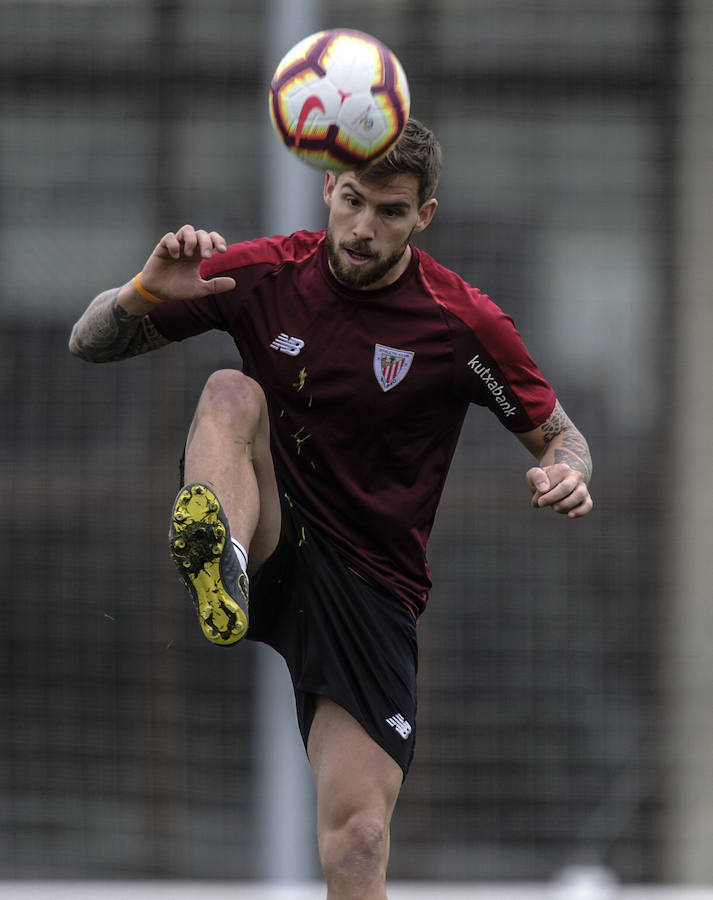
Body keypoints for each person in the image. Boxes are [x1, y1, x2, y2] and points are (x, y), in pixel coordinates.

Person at [69, 118, 593, 899]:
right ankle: (222, 561)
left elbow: (559, 437)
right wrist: (143, 292)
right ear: (327, 190)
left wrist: (567, 473)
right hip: (272, 527)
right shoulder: (261, 275)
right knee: (228, 390)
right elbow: (88, 342)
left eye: (389, 211)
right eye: (352, 201)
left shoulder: (461, 322)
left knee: (359, 842)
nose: (362, 227)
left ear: (423, 216)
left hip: (371, 584)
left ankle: (230, 561)